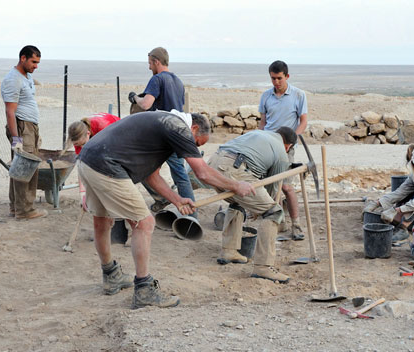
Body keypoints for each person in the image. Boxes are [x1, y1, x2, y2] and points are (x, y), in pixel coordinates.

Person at [77, 110, 254, 309]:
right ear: (193, 129)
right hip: (107, 166)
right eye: (196, 143)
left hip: (87, 159)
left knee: (102, 220)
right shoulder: (177, 128)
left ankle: (111, 275)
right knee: (144, 223)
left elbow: (152, 176)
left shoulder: (162, 125)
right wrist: (236, 186)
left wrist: (177, 200)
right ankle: (144, 290)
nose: (193, 149)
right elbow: (202, 172)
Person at [208, 127, 297, 283]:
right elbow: (272, 188)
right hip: (234, 169)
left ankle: (229, 250)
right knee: (273, 212)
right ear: (288, 146)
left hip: (213, 164)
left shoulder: (260, 133)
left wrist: (256, 206)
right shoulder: (282, 153)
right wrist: (260, 210)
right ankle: (263, 267)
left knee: (238, 201)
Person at [127, 47, 195, 216]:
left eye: (150, 63)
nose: (149, 67)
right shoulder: (178, 81)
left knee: (141, 169)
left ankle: (161, 197)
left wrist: (135, 97)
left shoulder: (157, 79)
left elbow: (145, 104)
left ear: (156, 61)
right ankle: (192, 217)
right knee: (180, 176)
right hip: (176, 133)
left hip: (158, 136)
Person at [258, 60, 307, 241]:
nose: (276, 82)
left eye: (279, 78)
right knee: (273, 186)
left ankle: (296, 225)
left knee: (286, 186)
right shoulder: (266, 96)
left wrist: (293, 140)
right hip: (269, 146)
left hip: (287, 147)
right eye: (273, 78)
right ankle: (281, 222)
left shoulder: (298, 95)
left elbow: (303, 121)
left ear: (287, 76)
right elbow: (263, 123)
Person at [1, 45, 47, 220]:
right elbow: (10, 112)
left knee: (20, 167)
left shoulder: (25, 76)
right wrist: (16, 140)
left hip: (30, 127)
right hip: (21, 127)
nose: (36, 66)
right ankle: (24, 210)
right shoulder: (13, 80)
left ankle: (16, 208)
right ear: (23, 58)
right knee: (26, 168)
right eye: (34, 62)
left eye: (38, 62)